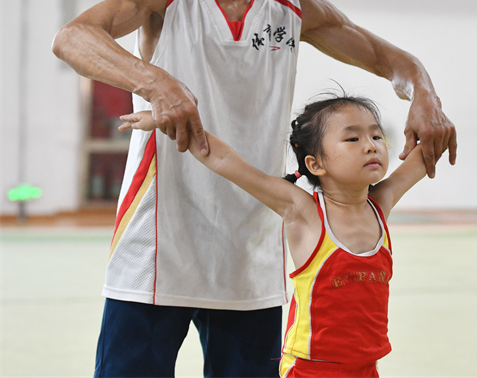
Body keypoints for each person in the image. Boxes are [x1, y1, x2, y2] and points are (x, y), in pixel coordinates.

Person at [51, 0, 456, 377]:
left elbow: (390, 60)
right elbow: (72, 38)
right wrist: (154, 80)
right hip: (157, 244)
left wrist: (424, 93)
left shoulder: (295, 8)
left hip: (252, 251)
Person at [119, 93, 432, 377]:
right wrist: (173, 123)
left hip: (367, 367)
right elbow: (226, 161)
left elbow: (427, 151)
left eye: (377, 135)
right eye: (352, 139)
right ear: (315, 163)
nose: (371, 145)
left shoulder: (380, 204)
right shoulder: (303, 212)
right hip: (311, 370)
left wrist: (430, 109)